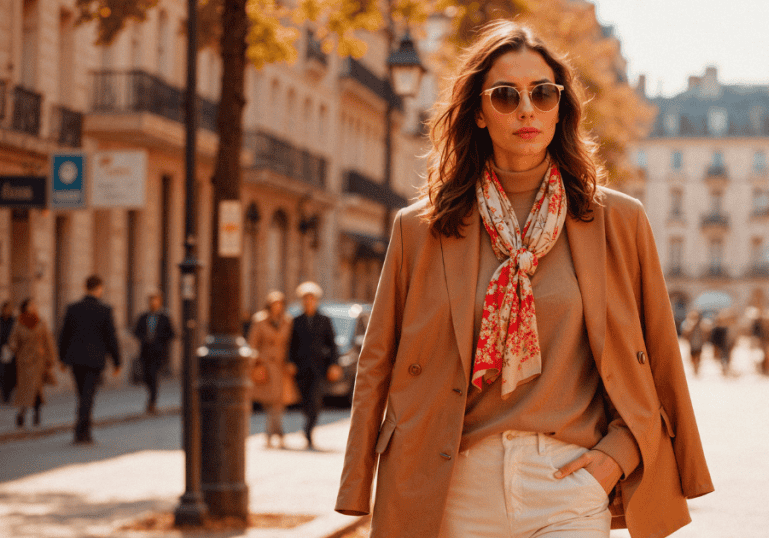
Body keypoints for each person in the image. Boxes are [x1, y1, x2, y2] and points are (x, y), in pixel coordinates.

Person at [335, 21, 713, 538]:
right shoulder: (421, 229)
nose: (527, 109)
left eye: (542, 93)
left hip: (570, 484)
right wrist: (357, 483)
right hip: (452, 485)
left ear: (562, 107)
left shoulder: (617, 222)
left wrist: (616, 457)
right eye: (506, 96)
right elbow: (376, 361)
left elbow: (660, 356)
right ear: (479, 113)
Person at [59, 275, 122, 444]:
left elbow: (64, 335)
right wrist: (117, 361)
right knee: (88, 396)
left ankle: (83, 430)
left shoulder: (73, 308)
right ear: (99, 288)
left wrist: (62, 359)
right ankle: (82, 431)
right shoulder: (105, 310)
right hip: (94, 361)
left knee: (82, 394)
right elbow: (111, 338)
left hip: (76, 360)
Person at [288, 281, 336, 450]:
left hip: (318, 367)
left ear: (316, 300)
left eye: (312, 298)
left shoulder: (324, 320)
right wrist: (290, 362)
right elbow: (290, 344)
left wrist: (333, 365)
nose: (309, 302)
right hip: (301, 368)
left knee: (315, 400)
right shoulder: (296, 320)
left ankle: (308, 430)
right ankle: (308, 424)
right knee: (305, 400)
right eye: (306, 299)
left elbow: (332, 345)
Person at [248, 290, 298, 448]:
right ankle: (277, 434)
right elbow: (252, 344)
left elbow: (292, 344)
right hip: (266, 365)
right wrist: (256, 361)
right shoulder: (259, 320)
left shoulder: (287, 321)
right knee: (272, 402)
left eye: (280, 304)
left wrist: (291, 361)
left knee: (279, 402)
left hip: (281, 366)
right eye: (274, 304)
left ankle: (272, 435)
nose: (277, 307)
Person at [8, 298, 57, 427]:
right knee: (26, 391)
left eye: (34, 305)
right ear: (25, 308)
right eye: (31, 305)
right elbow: (13, 340)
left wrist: (51, 358)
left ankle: (36, 416)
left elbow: (48, 340)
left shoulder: (40, 322)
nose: (34, 307)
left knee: (37, 390)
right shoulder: (19, 323)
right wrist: (13, 346)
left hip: (39, 361)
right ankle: (22, 414)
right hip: (24, 362)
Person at [132, 292, 176, 414]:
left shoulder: (164, 317)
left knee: (154, 376)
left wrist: (160, 340)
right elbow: (136, 331)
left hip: (158, 352)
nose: (153, 303)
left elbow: (171, 333)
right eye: (151, 301)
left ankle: (152, 402)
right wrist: (144, 338)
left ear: (159, 302)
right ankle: (151, 397)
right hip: (145, 352)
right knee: (146, 377)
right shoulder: (143, 317)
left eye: (155, 301)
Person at [681, 310, 706, 376]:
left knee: (698, 357)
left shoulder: (701, 325)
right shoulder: (689, 325)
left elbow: (705, 334)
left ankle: (696, 368)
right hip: (692, 345)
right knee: (693, 357)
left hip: (699, 345)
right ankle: (694, 368)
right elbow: (685, 335)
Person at [1, 301, 16, 403]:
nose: (6, 311)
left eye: (8, 309)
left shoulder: (14, 321)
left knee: (11, 373)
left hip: (12, 350)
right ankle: (4, 394)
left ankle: (9, 393)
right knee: (2, 373)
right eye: (5, 309)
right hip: (1, 350)